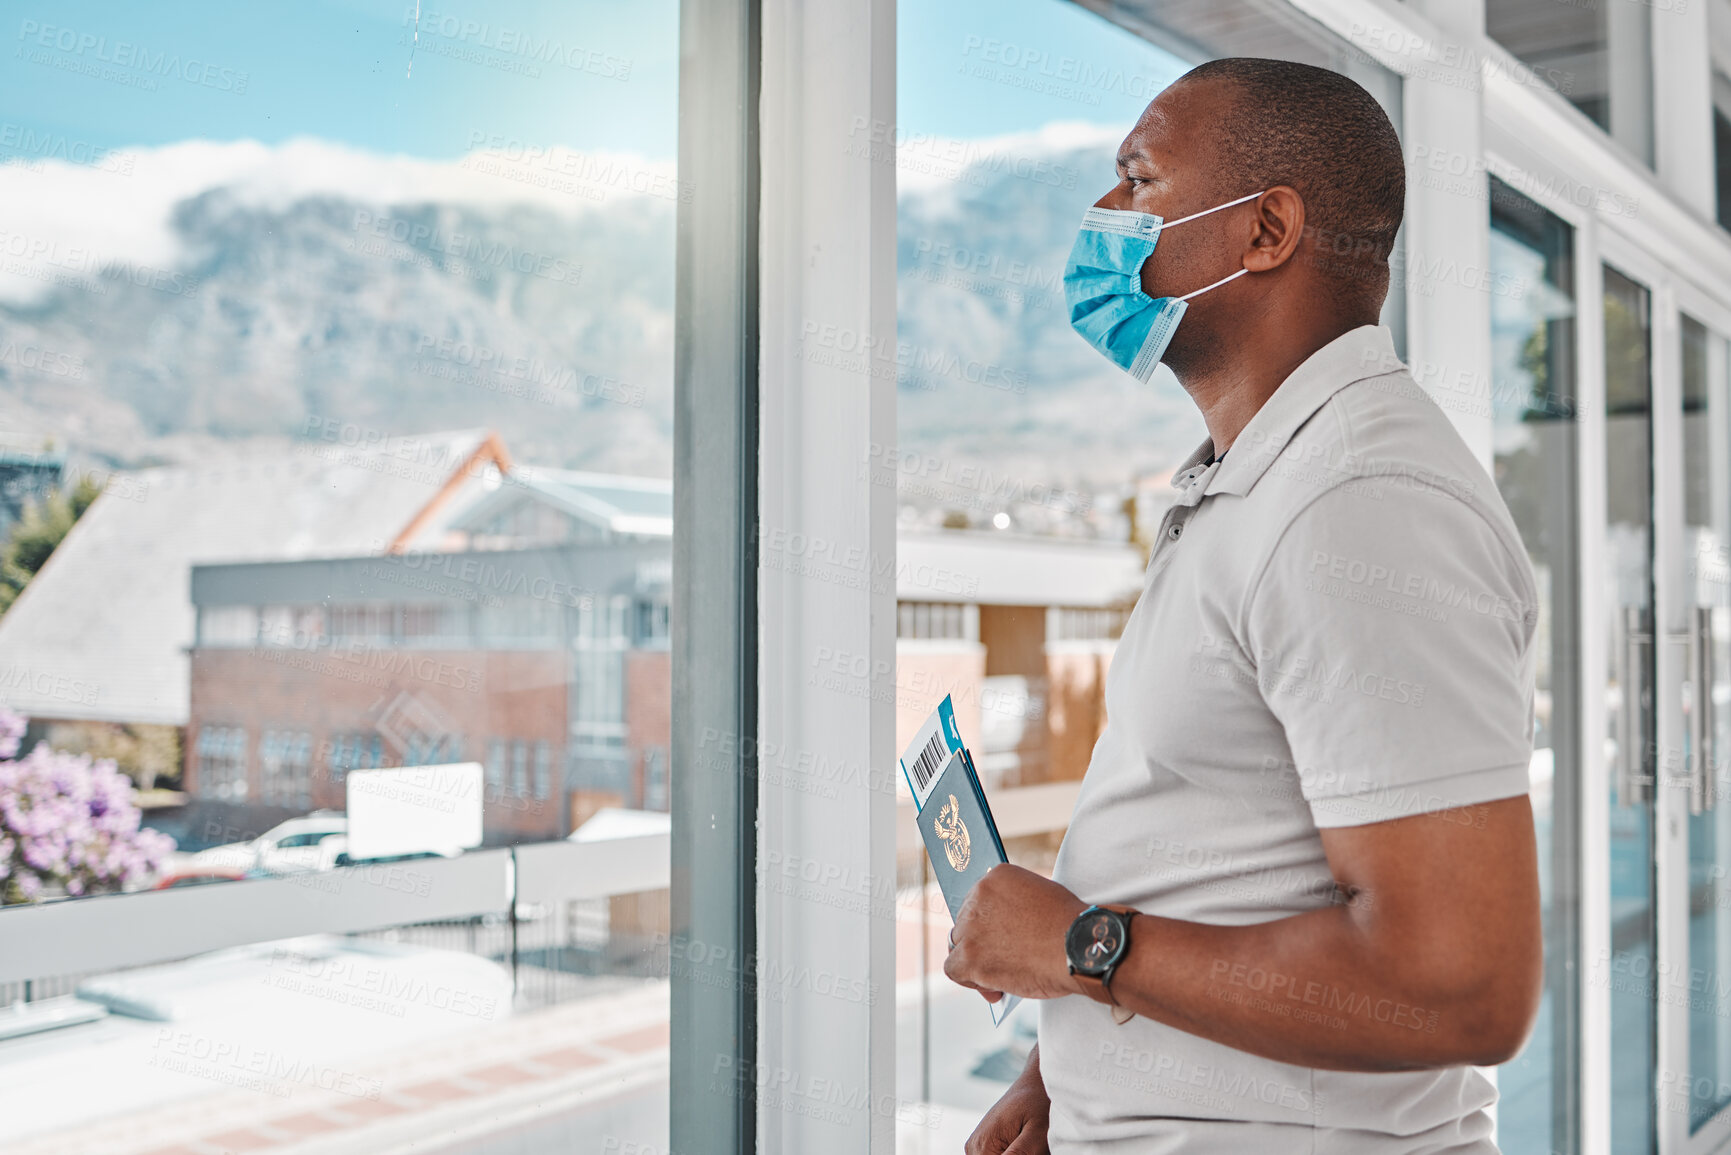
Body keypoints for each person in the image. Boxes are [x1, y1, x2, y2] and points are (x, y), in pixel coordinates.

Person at [943, 57, 1543, 1154]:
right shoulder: (1264, 482)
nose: (1103, 215)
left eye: (1139, 179)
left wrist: (1085, 951)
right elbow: (1221, 852)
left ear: (1265, 231)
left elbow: (1464, 986)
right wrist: (1064, 1074)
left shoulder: (1363, 507)